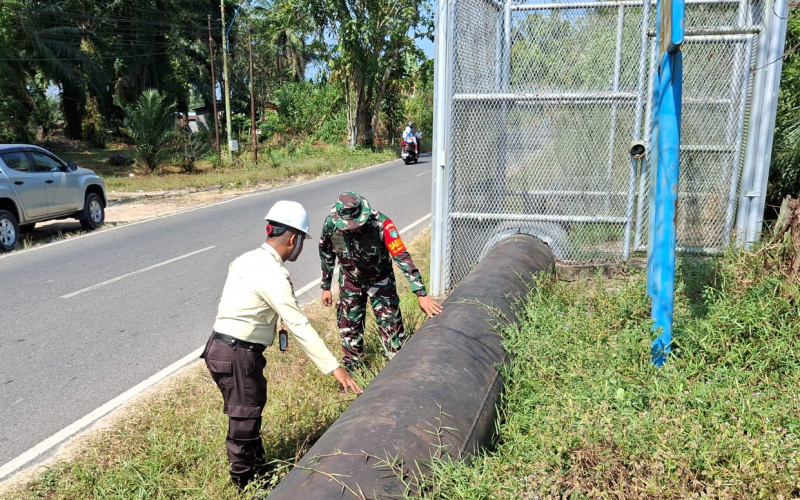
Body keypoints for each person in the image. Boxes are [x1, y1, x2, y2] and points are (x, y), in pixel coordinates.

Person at [202, 200, 362, 490]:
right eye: (301, 240)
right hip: (237, 352)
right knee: (244, 417)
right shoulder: (272, 272)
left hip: (220, 348)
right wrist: (336, 368)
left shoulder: (248, 258)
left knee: (247, 407)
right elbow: (299, 324)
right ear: (293, 239)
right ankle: (245, 482)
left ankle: (256, 464)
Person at [319, 192, 442, 372]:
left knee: (392, 330)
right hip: (350, 282)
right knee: (349, 330)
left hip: (380, 282)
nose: (352, 229)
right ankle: (354, 375)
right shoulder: (331, 224)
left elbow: (402, 257)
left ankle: (397, 373)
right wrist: (326, 286)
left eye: (355, 225)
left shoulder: (381, 224)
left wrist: (421, 293)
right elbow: (326, 254)